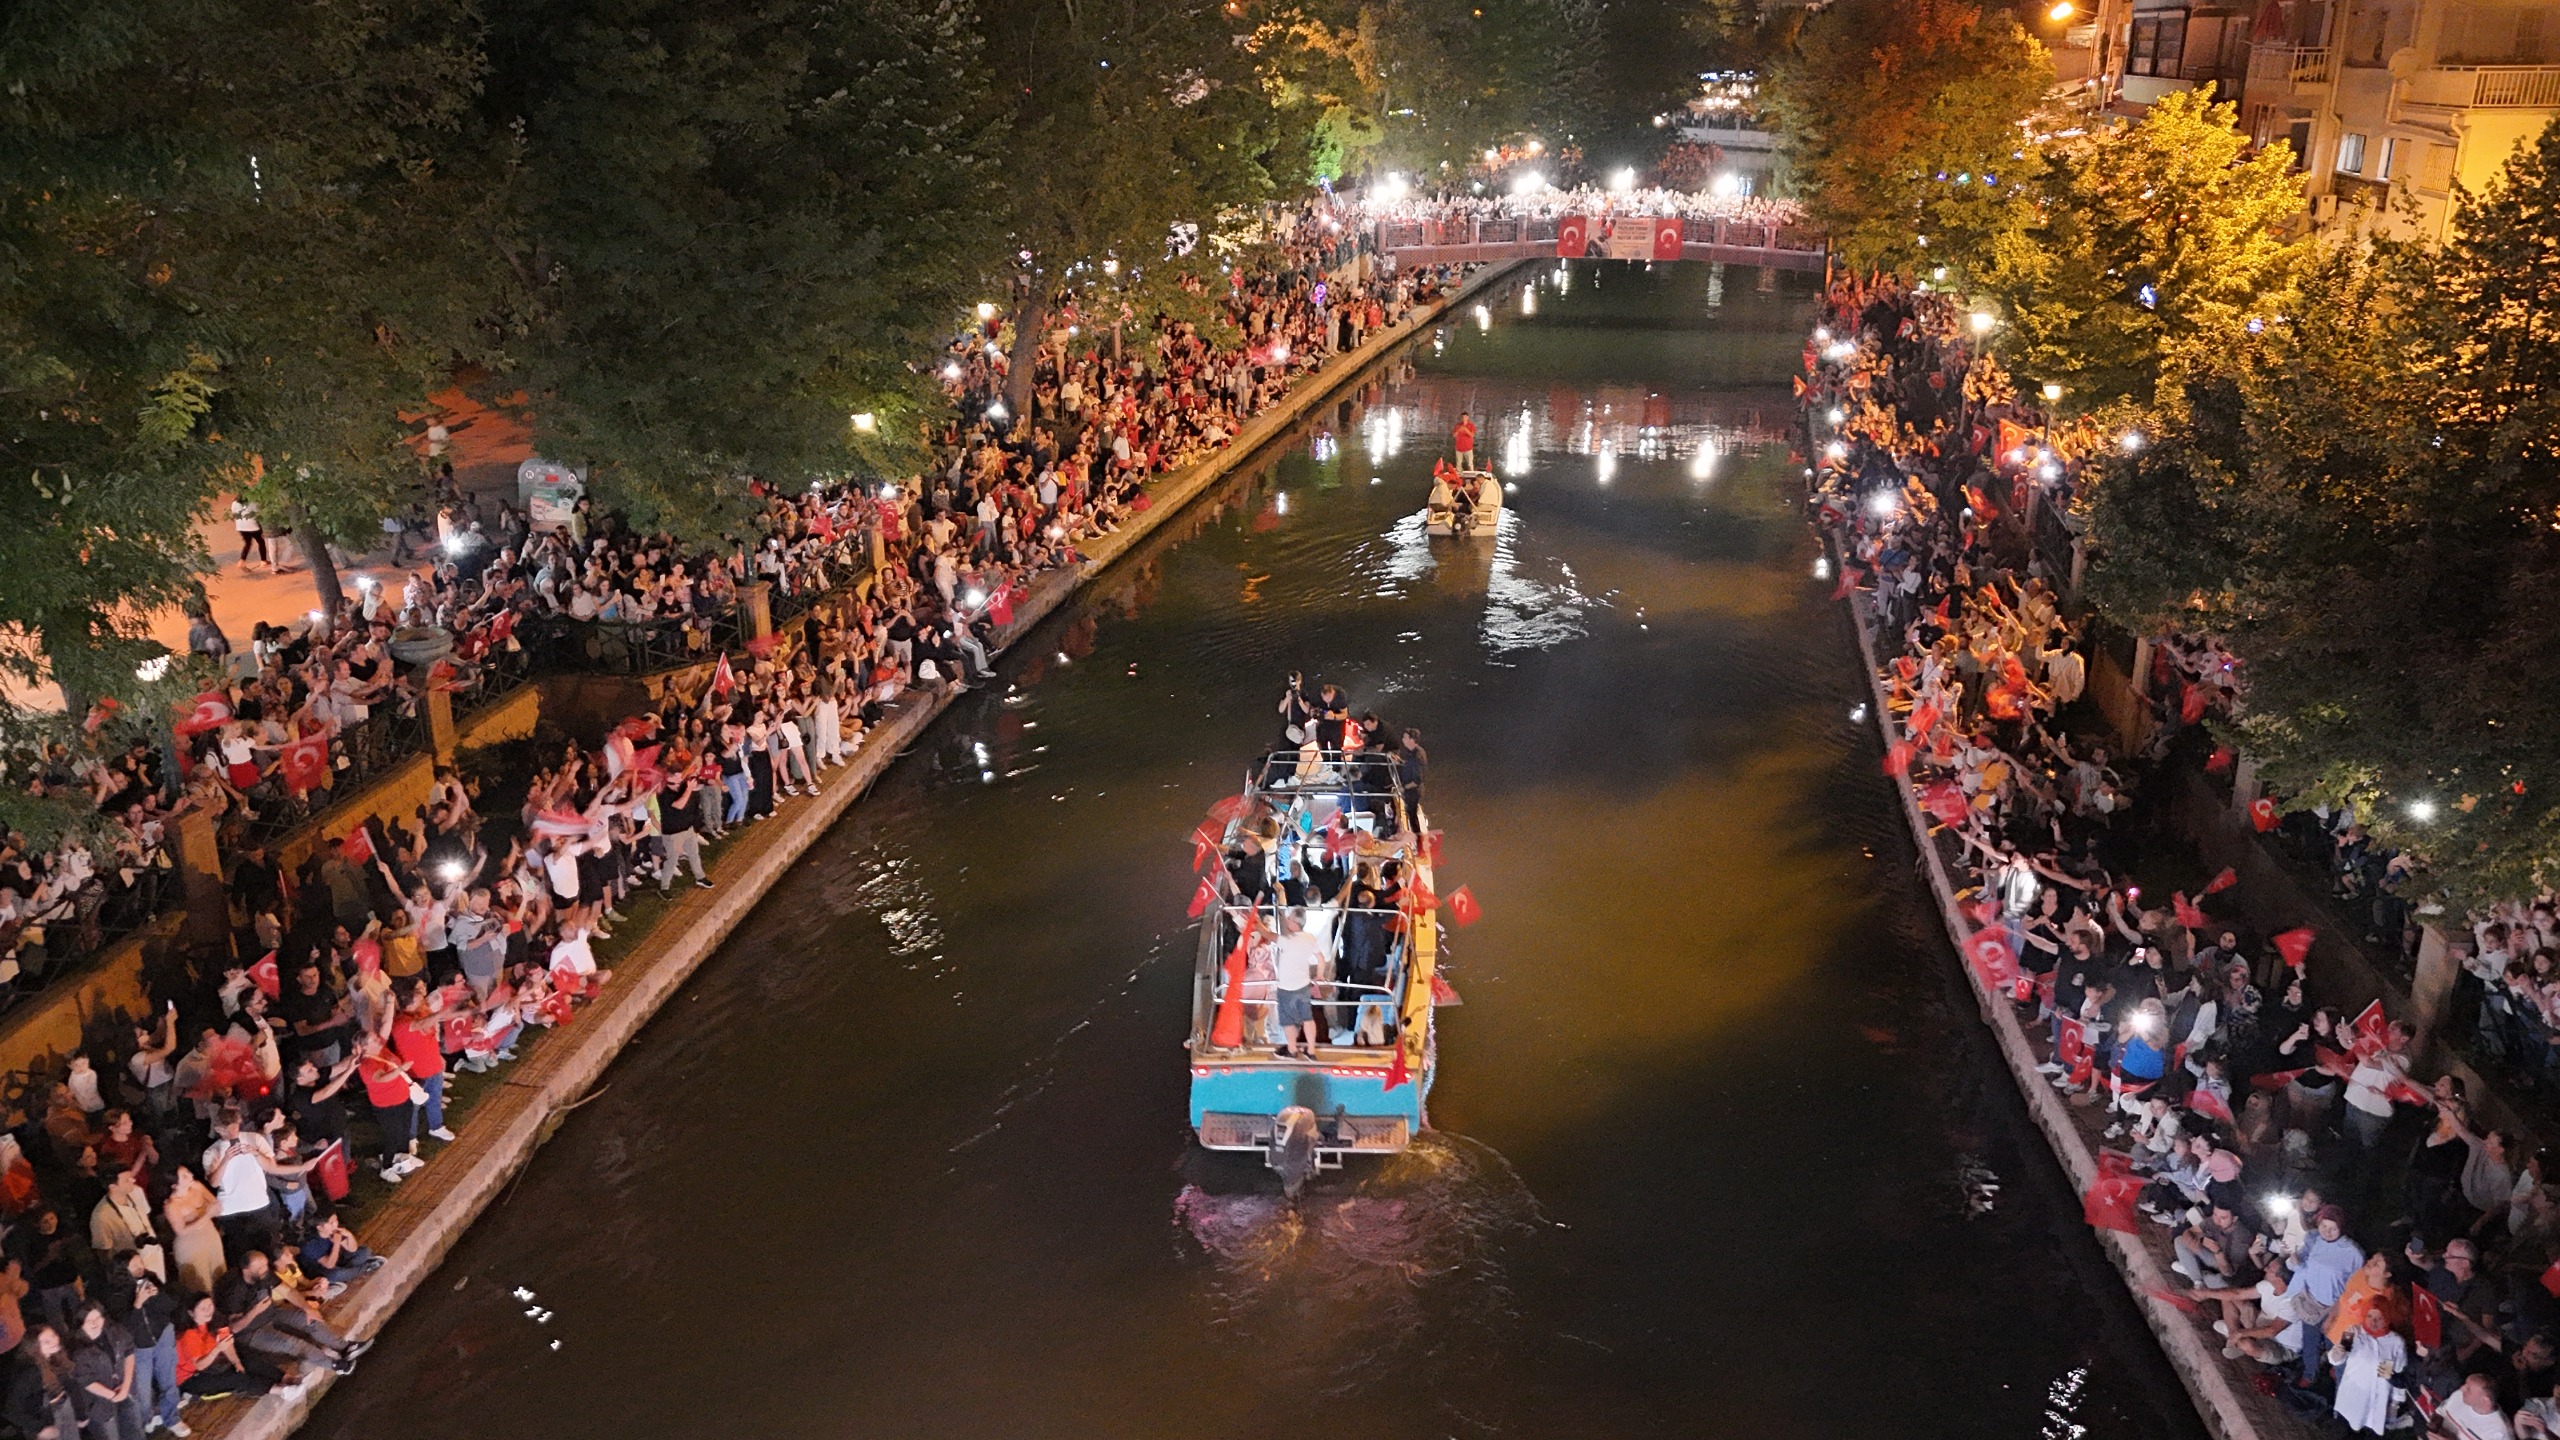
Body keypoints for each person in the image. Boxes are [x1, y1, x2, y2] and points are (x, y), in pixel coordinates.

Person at [172, 1293, 281, 1400]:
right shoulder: (189, 1334)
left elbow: (227, 1344)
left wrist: (236, 1362)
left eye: (210, 1305)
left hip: (211, 1365)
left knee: (246, 1360)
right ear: (191, 1313)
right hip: (190, 1376)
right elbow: (199, 1365)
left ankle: (286, 1379)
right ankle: (281, 1390)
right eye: (202, 1308)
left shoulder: (214, 1320)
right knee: (237, 1379)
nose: (208, 1310)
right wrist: (218, 1349)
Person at [2328, 1307, 2408, 1435]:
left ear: (2387, 1319)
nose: (2373, 1321)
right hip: (2352, 1398)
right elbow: (2337, 1359)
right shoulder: (2353, 1332)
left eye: (2379, 1318)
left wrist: (2394, 1404)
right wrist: (2336, 1354)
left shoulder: (2396, 1343)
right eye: (2369, 1316)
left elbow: (2398, 1375)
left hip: (2377, 1404)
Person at [69, 1302, 143, 1440]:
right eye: (89, 1320)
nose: (95, 1323)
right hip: (99, 1404)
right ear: (80, 1323)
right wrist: (113, 1395)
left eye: (98, 1317)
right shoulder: (77, 1350)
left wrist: (126, 1387)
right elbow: (85, 1380)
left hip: (125, 1391)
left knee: (134, 1430)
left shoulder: (115, 1330)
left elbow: (129, 1352)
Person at [6, 1326, 80, 1440]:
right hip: (46, 1420)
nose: (54, 1341)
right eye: (46, 1341)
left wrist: (80, 1413)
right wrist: (39, 1428)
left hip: (65, 1411)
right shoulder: (30, 1372)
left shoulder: (57, 1359)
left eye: (53, 1335)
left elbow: (71, 1387)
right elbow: (10, 1409)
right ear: (35, 1347)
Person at [1269, 909, 1325, 1059]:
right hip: (1304, 986)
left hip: (1286, 987)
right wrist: (1320, 974)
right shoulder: (1310, 938)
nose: (1287, 920)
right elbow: (1320, 958)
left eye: (1289, 918)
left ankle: (1292, 1049)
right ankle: (1311, 1050)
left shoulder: (1287, 941)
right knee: (1307, 1018)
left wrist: (1256, 923)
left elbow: (1269, 935)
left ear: (1295, 922)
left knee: (1288, 1020)